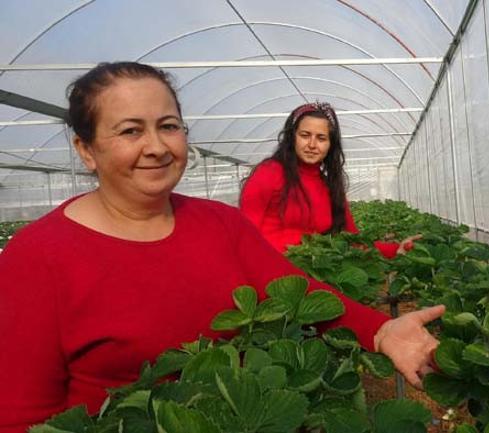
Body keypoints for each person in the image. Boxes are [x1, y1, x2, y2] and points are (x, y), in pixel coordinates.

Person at [0, 62, 443, 433]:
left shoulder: (219, 223)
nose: (156, 147)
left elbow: (296, 289)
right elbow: (21, 417)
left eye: (168, 126)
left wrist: (379, 329)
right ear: (86, 149)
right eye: (130, 131)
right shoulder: (36, 256)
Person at [239, 102, 420, 258]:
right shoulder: (270, 173)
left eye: (321, 138)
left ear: (330, 145)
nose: (312, 144)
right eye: (305, 135)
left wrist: (395, 249)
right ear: (292, 137)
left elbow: (351, 239)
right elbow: (243, 236)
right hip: (270, 275)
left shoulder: (329, 186)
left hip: (315, 274)